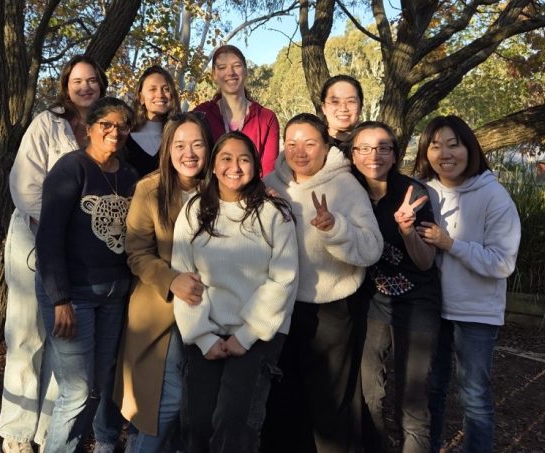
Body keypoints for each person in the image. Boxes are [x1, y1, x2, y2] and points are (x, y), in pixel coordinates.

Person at [1, 54, 106, 453]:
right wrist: (58, 225)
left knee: (64, 340)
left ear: (101, 84)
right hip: (34, 234)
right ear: (66, 86)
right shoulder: (47, 123)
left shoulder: (104, 127)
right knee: (27, 333)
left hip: (78, 248)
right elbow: (24, 183)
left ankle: (49, 432)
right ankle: (16, 433)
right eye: (77, 81)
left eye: (92, 80)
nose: (85, 87)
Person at [262, 113, 384, 453]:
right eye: (292, 143)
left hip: (332, 308)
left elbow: (371, 248)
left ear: (326, 145)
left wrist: (335, 227)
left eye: (309, 143)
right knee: (284, 399)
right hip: (281, 306)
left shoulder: (345, 186)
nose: (299, 151)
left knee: (329, 402)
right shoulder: (270, 183)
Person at [172, 131, 299, 453]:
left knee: (234, 423)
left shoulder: (274, 212)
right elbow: (185, 278)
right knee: (197, 424)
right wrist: (203, 337)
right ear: (213, 165)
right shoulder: (194, 211)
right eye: (226, 158)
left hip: (258, 333)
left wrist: (246, 336)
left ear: (255, 166)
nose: (235, 167)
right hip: (206, 329)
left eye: (244, 159)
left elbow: (283, 279)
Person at [35, 97, 139, 453]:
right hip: (74, 295)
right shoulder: (71, 169)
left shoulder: (129, 176)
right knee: (77, 390)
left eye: (122, 125)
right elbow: (49, 237)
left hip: (113, 295)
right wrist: (60, 299)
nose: (114, 132)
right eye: (106, 124)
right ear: (89, 128)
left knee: (97, 385)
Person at [413, 115, 521, 453]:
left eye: (453, 145)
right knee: (432, 389)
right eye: (435, 146)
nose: (444, 154)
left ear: (469, 149)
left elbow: (502, 262)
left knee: (473, 396)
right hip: (432, 309)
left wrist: (450, 244)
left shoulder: (493, 196)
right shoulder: (422, 191)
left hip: (476, 312)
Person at [114, 112, 212, 452]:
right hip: (162, 311)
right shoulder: (150, 190)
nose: (189, 154)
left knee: (193, 407)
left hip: (212, 311)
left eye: (197, 144)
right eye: (180, 145)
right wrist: (171, 280)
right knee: (164, 402)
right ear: (167, 149)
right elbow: (137, 252)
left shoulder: (219, 190)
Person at [346, 122, 441, 453]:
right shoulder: (349, 192)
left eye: (383, 148)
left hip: (417, 305)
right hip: (373, 303)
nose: (374, 155)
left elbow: (426, 261)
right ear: (352, 154)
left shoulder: (412, 194)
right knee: (369, 395)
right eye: (364, 148)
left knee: (412, 401)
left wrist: (407, 231)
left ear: (395, 154)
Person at [192, 45, 280, 175]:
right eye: (222, 67)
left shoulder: (266, 118)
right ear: (214, 75)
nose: (230, 73)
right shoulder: (201, 115)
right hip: (210, 188)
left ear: (246, 71)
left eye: (237, 66)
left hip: (254, 188)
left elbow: (268, 173)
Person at [125, 66, 182, 177]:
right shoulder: (123, 136)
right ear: (141, 97)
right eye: (152, 89)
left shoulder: (180, 135)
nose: (160, 94)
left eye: (166, 89)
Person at [319, 75, 363, 151]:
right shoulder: (314, 145)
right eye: (335, 102)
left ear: (361, 107)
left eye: (351, 101)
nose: (343, 109)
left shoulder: (375, 144)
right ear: (324, 108)